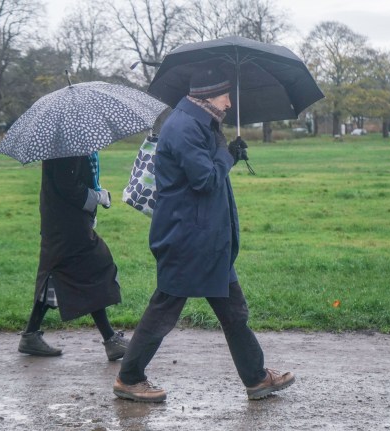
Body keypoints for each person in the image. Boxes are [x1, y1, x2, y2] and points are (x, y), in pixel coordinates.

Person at [112, 66, 295, 402]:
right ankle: (129, 378)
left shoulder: (201, 124)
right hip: (186, 239)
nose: (229, 103)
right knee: (164, 309)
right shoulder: (183, 127)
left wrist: (226, 149)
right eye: (225, 96)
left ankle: (256, 378)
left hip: (207, 240)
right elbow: (204, 180)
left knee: (234, 312)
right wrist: (228, 156)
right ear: (207, 95)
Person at [18, 152, 129, 360]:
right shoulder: (67, 150)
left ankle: (30, 335)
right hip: (66, 224)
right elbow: (67, 185)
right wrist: (97, 197)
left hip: (63, 221)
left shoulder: (70, 144)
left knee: (55, 274)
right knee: (95, 268)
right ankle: (110, 340)